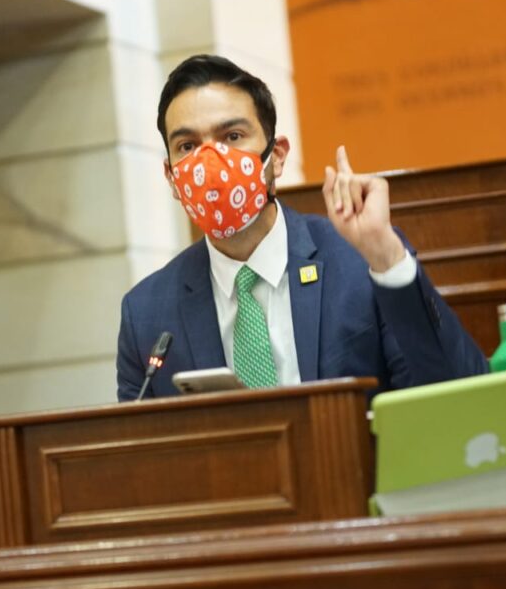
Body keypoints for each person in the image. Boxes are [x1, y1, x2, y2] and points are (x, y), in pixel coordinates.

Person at [116, 55, 487, 402]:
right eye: (187, 145)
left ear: (276, 156)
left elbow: (458, 395)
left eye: (232, 137)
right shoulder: (146, 314)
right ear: (171, 177)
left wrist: (386, 257)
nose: (210, 163)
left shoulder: (361, 263)